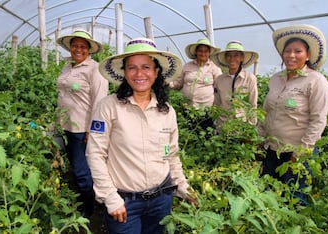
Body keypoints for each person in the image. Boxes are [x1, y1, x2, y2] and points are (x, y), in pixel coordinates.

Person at [86, 38, 198, 233]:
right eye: (132, 68)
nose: (139, 74)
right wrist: (111, 198)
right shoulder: (108, 106)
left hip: (161, 201)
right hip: (124, 203)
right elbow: (95, 154)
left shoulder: (167, 111)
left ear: (156, 72)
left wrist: (183, 187)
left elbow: (171, 156)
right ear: (124, 72)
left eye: (146, 67)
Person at [260, 24, 328, 204]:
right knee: (269, 197)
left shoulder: (316, 81)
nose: (291, 55)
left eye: (298, 51)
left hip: (296, 152)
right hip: (272, 150)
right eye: (287, 51)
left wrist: (299, 155)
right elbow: (265, 112)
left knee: (294, 200)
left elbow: (318, 120)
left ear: (308, 55)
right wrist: (259, 140)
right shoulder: (276, 79)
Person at [56, 30, 109, 218]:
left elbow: (100, 102)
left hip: (81, 128)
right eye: (75, 45)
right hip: (65, 126)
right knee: (76, 165)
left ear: (89, 50)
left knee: (81, 170)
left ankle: (88, 208)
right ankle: (82, 198)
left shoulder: (95, 69)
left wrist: (92, 130)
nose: (78, 49)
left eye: (82, 46)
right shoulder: (67, 67)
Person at [168, 38, 222, 131]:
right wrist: (166, 83)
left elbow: (220, 86)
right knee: (190, 132)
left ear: (209, 53)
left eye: (206, 51)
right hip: (188, 108)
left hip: (206, 110)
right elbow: (178, 83)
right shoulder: (187, 66)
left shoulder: (214, 68)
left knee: (205, 132)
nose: (203, 53)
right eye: (200, 51)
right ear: (196, 52)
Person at [212, 40, 259, 126]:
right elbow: (217, 104)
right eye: (229, 55)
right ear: (226, 59)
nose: (232, 59)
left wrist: (251, 128)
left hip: (242, 127)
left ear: (242, 58)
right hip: (223, 126)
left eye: (236, 55)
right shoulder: (219, 80)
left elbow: (253, 105)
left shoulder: (250, 79)